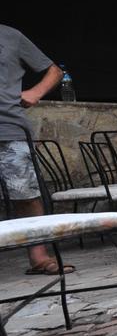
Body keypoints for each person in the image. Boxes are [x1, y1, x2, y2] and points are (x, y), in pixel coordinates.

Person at [0, 24, 75, 275]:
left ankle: (39, 258)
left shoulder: (10, 36)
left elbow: (53, 70)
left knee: (26, 195)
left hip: (8, 127)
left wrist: (36, 91)